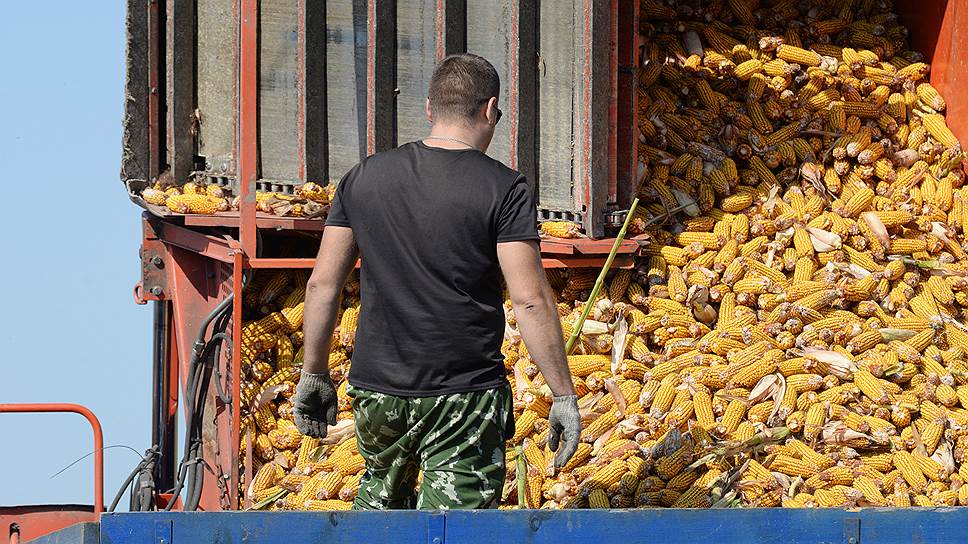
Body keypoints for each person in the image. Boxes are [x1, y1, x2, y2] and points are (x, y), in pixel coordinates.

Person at [292, 53, 580, 510]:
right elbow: (529, 301)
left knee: (381, 517)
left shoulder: (363, 178)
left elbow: (322, 286)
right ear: (490, 110)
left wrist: (314, 373)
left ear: (429, 108)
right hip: (463, 398)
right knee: (457, 529)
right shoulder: (503, 188)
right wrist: (563, 393)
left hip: (377, 391)